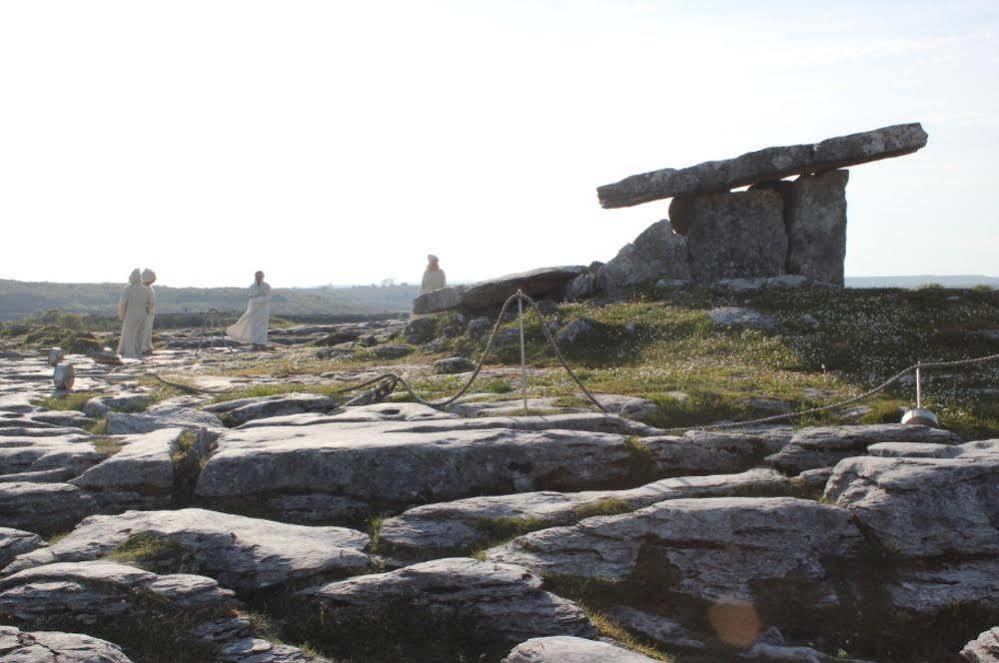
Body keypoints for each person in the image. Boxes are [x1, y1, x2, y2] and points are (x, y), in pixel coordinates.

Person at [227, 271, 271, 349]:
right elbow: (251, 297)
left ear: (263, 277)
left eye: (260, 276)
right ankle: (255, 344)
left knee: (263, 327)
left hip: (263, 310)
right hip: (253, 309)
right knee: (253, 326)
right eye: (257, 276)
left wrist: (259, 299)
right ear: (255, 276)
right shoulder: (252, 287)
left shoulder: (267, 286)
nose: (259, 277)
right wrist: (258, 299)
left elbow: (268, 297)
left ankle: (262, 344)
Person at [117, 268, 153, 359]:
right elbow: (150, 304)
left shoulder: (128, 289)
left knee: (129, 335)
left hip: (131, 315)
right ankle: (137, 353)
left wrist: (121, 315)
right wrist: (147, 312)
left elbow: (123, 303)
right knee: (139, 336)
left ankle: (129, 354)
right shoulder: (146, 290)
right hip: (143, 316)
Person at [139, 268, 157, 354]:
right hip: (145, 312)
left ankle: (148, 344)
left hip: (150, 312)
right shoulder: (142, 288)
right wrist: (146, 307)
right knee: (144, 330)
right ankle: (143, 346)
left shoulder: (149, 287)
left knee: (148, 329)